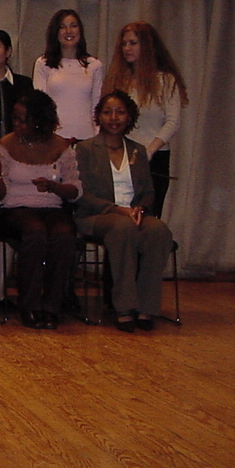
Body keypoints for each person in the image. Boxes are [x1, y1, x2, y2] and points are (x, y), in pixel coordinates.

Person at [75, 91, 174, 332]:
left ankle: (146, 307)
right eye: (107, 112)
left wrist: (141, 208)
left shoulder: (137, 150)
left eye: (120, 112)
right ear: (98, 116)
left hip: (132, 214)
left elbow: (148, 191)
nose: (114, 118)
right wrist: (116, 210)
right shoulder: (84, 149)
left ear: (129, 117)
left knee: (159, 230)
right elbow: (81, 194)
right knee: (123, 227)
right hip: (96, 216)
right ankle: (124, 307)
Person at [0, 90, 82, 330]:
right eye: (15, 118)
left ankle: (51, 306)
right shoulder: (5, 145)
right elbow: (0, 195)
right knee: (35, 232)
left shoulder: (61, 146)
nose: (17, 124)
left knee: (64, 234)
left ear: (40, 121)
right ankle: (29, 305)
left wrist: (54, 187)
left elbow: (75, 190)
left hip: (51, 207)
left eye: (24, 120)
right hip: (14, 208)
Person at [103, 21, 189, 217]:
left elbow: (172, 122)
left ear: (147, 46)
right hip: (121, 155)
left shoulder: (166, 80)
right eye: (124, 44)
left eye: (133, 43)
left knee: (147, 216)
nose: (127, 48)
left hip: (154, 157)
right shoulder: (119, 80)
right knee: (120, 215)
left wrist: (148, 151)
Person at [32, 9, 104, 142]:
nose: (68, 31)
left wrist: (97, 136)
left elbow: (97, 104)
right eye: (62, 27)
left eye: (73, 26)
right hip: (54, 139)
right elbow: (40, 105)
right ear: (55, 32)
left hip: (87, 138)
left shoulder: (94, 65)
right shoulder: (43, 63)